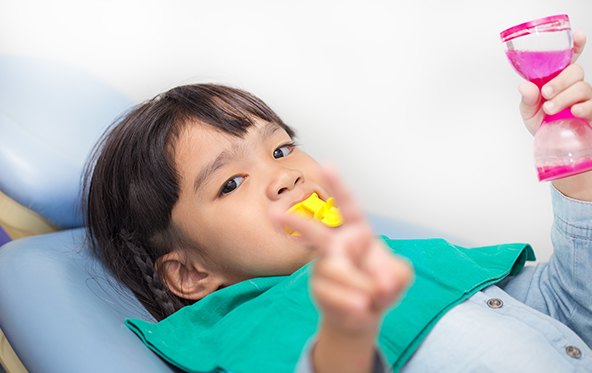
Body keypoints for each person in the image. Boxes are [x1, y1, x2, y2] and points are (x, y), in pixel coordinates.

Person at [84, 32, 592, 372]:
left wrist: (577, 175)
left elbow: (568, 313)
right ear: (191, 275)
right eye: (231, 183)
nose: (284, 175)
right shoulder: (249, 332)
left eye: (281, 148)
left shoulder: (404, 261)